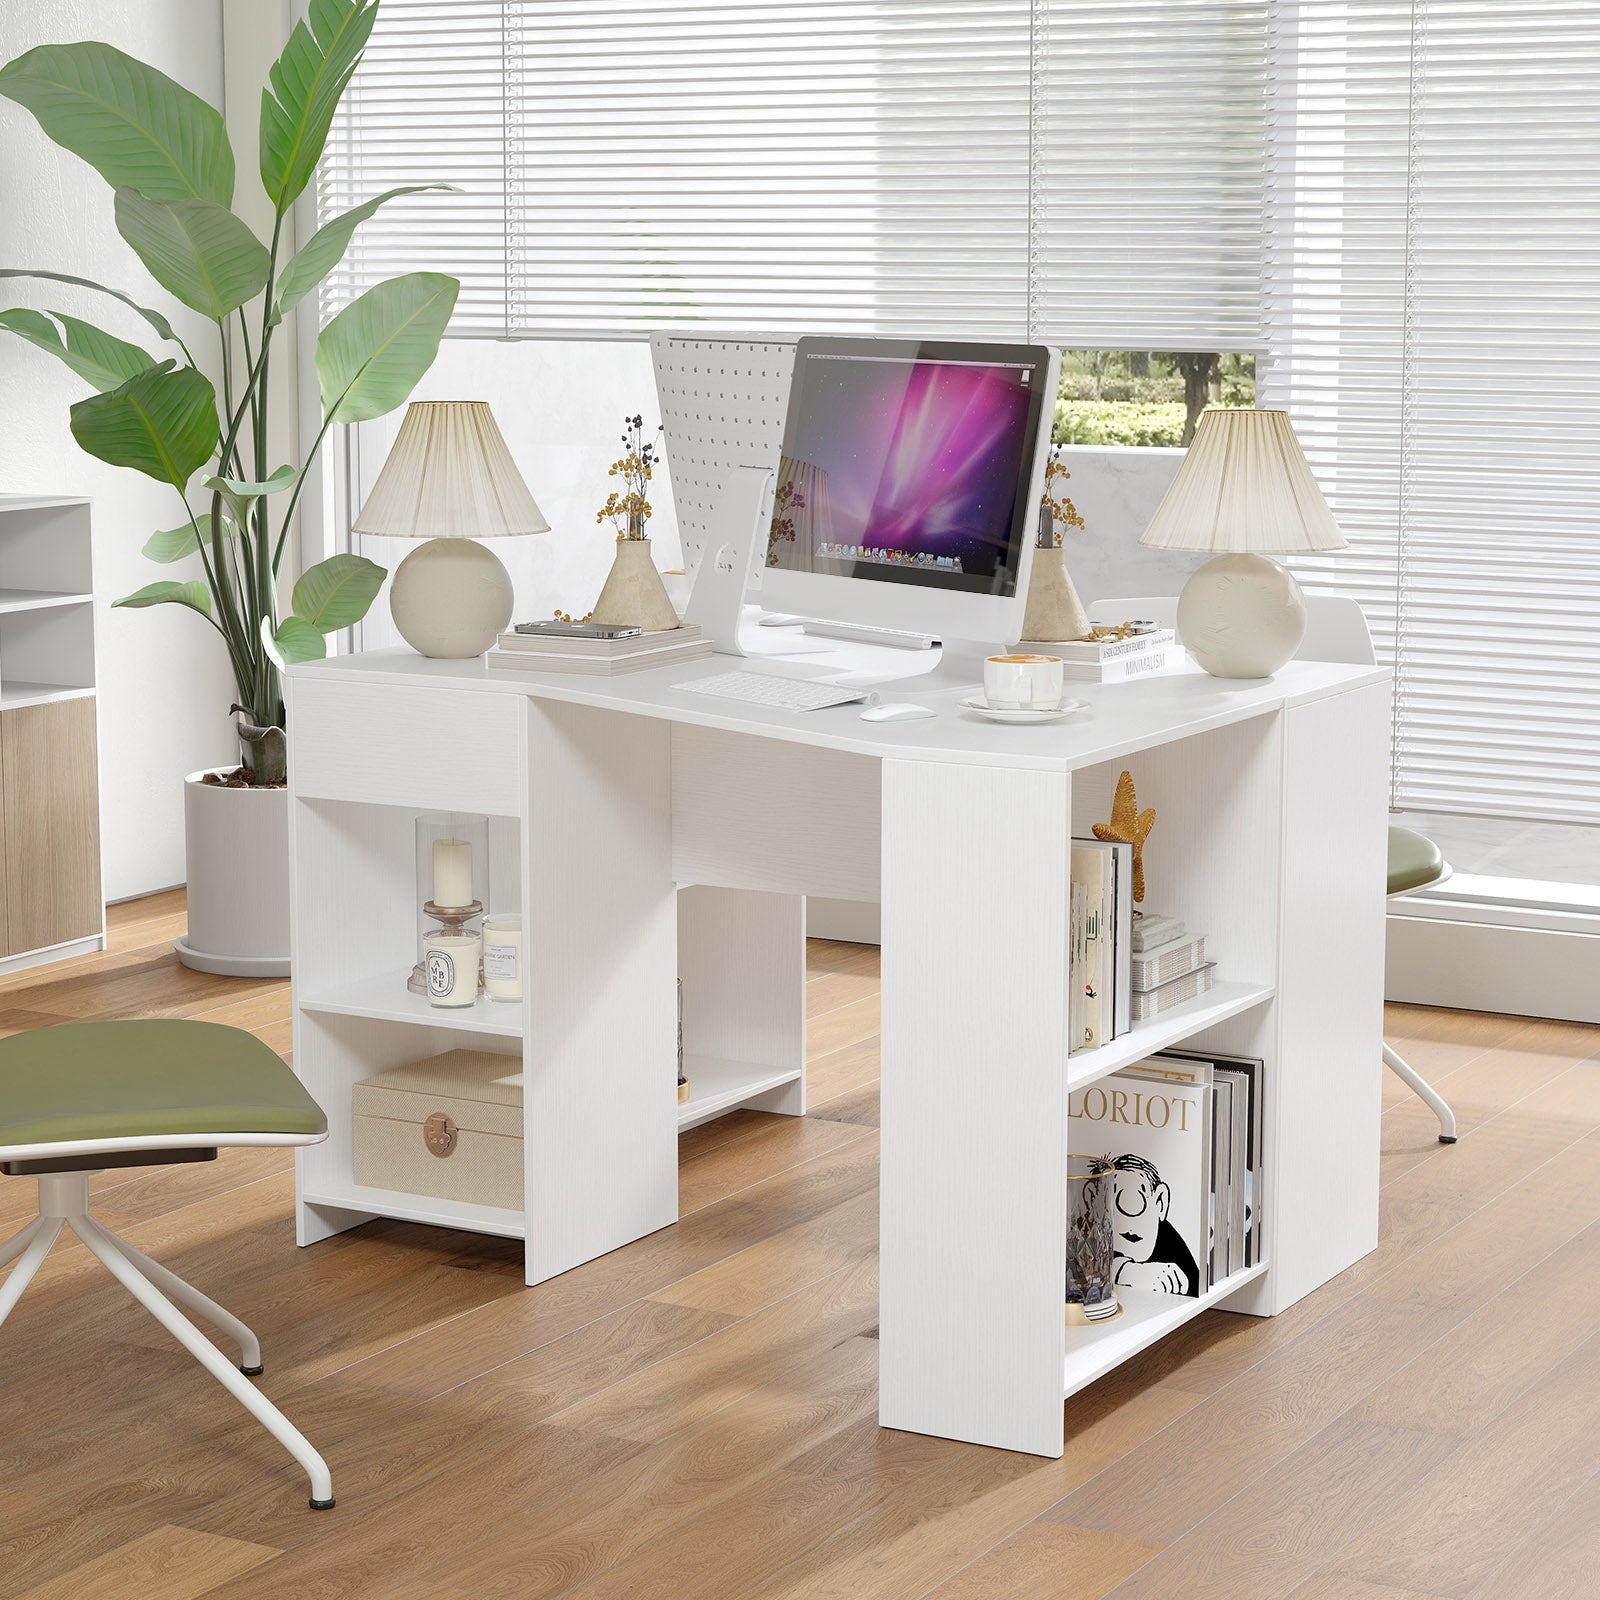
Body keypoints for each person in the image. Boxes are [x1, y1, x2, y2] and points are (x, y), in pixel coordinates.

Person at [1108, 1151, 1200, 1296]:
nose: (1129, 1220)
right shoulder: (1091, 1228)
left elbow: (1193, 1281)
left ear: (1160, 1202)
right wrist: (1125, 1271)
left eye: (1136, 1200)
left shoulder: (1172, 1244)